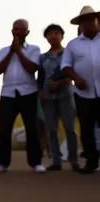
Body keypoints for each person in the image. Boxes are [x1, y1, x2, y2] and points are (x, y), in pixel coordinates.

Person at [0, 19, 45, 173]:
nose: (18, 32)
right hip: (8, 93)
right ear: (12, 31)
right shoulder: (3, 50)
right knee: (4, 129)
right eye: (16, 29)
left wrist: (19, 52)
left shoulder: (34, 49)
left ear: (27, 32)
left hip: (28, 92)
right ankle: (3, 163)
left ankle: (36, 163)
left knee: (32, 128)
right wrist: (11, 52)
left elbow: (31, 68)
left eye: (22, 29)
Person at [61, 6, 100, 174]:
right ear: (80, 25)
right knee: (86, 128)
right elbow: (65, 66)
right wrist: (75, 78)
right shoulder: (73, 45)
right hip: (84, 94)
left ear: (98, 21)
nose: (89, 23)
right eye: (85, 21)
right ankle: (91, 162)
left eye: (92, 19)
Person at [38, 24, 79, 171]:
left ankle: (74, 160)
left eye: (56, 33)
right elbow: (40, 76)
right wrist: (40, 91)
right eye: (50, 34)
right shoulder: (42, 57)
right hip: (48, 96)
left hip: (66, 93)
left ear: (62, 36)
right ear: (46, 37)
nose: (53, 36)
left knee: (69, 127)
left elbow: (73, 72)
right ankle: (56, 160)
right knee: (51, 129)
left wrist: (61, 82)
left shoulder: (69, 54)